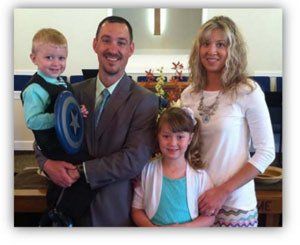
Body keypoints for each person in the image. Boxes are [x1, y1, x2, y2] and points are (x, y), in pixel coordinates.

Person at [34, 16, 159, 226]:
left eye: (121, 42)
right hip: (67, 208)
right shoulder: (71, 92)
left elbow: (134, 159)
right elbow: (44, 136)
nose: (113, 49)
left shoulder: (145, 101)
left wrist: (82, 170)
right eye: (106, 40)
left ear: (131, 48)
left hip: (112, 213)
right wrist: (46, 163)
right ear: (95, 44)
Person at [180, 16, 275, 227]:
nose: (211, 51)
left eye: (220, 44)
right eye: (205, 44)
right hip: (195, 202)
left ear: (232, 50)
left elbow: (266, 151)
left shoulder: (247, 91)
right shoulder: (189, 94)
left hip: (234, 205)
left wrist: (222, 191)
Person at [131, 107, 215, 227]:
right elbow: (137, 210)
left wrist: (185, 229)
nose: (172, 143)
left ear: (190, 139)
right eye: (166, 136)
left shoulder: (200, 175)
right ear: (157, 136)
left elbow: (209, 216)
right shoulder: (147, 170)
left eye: (180, 137)